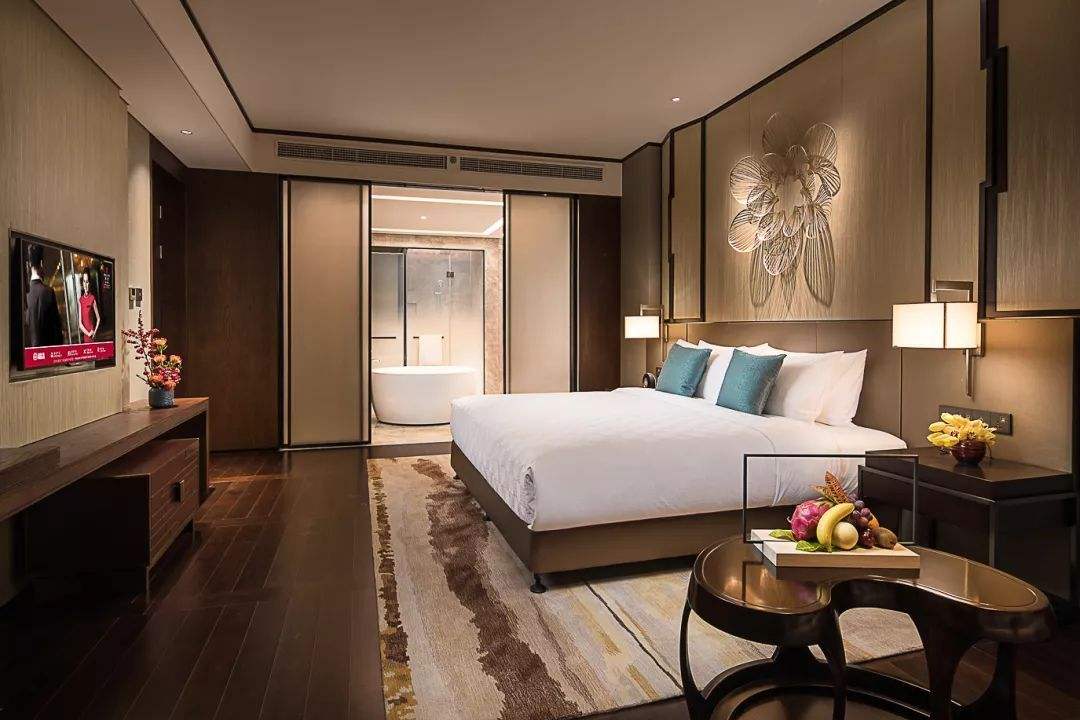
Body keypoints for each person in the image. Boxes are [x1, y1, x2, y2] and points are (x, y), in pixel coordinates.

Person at [24, 243, 64, 348]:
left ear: (29, 265)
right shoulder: (49, 292)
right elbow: (58, 330)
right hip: (49, 354)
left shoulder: (25, 295)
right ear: (41, 263)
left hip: (30, 356)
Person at [78, 270, 101, 343]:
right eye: (84, 281)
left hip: (93, 335)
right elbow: (80, 324)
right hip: (86, 336)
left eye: (87, 282)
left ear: (90, 283)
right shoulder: (80, 300)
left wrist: (95, 332)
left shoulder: (92, 298)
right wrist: (88, 334)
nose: (85, 284)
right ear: (82, 283)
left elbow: (98, 319)